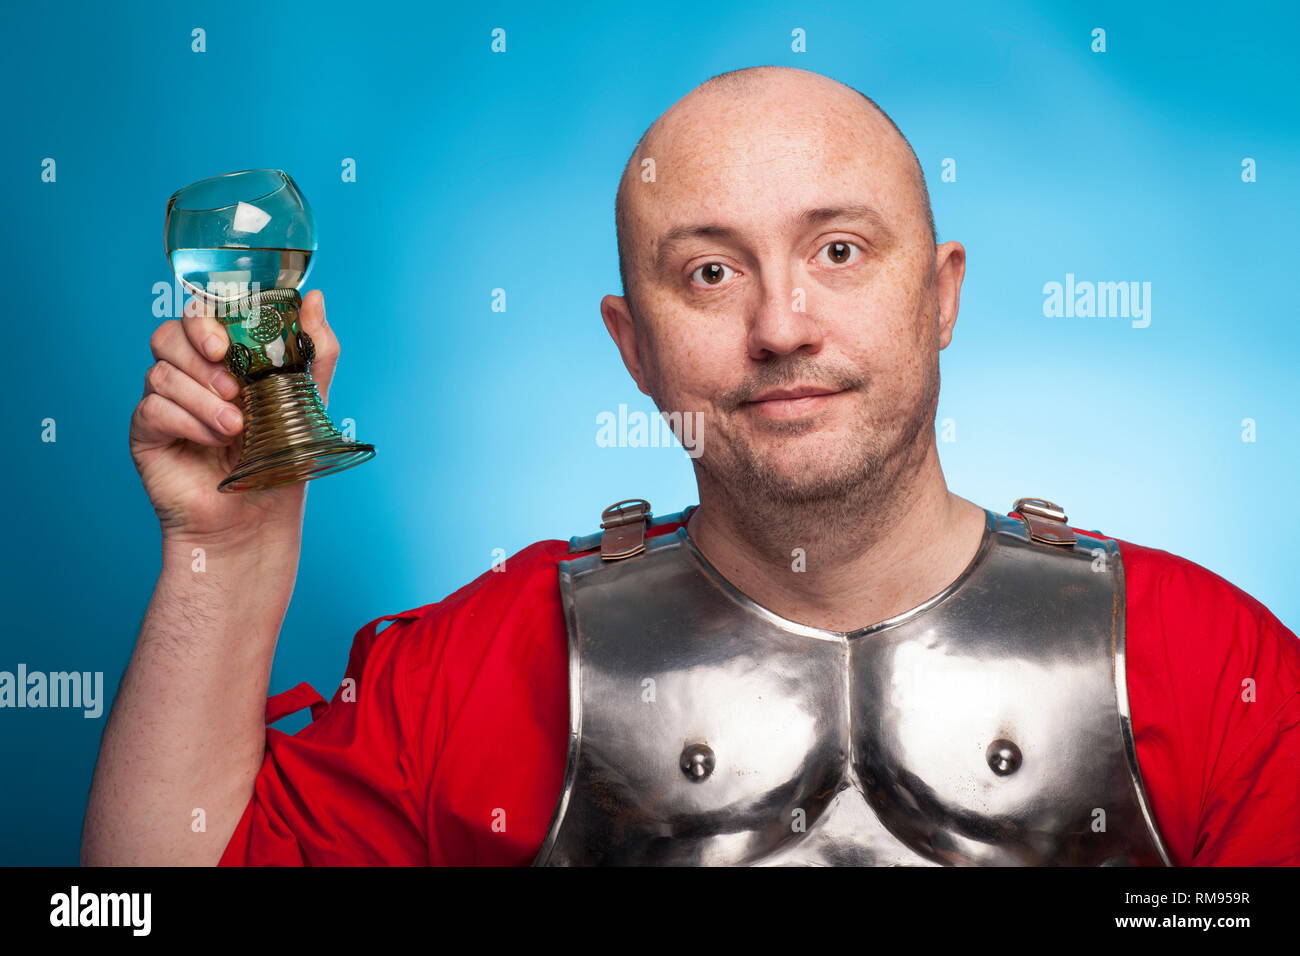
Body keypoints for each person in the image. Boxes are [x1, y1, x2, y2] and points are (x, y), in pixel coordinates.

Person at [82, 66, 1300, 866]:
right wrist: (220, 549)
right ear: (633, 347)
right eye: (708, 272)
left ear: (940, 298)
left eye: (838, 249)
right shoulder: (472, 671)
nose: (782, 325)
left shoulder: (1204, 662)